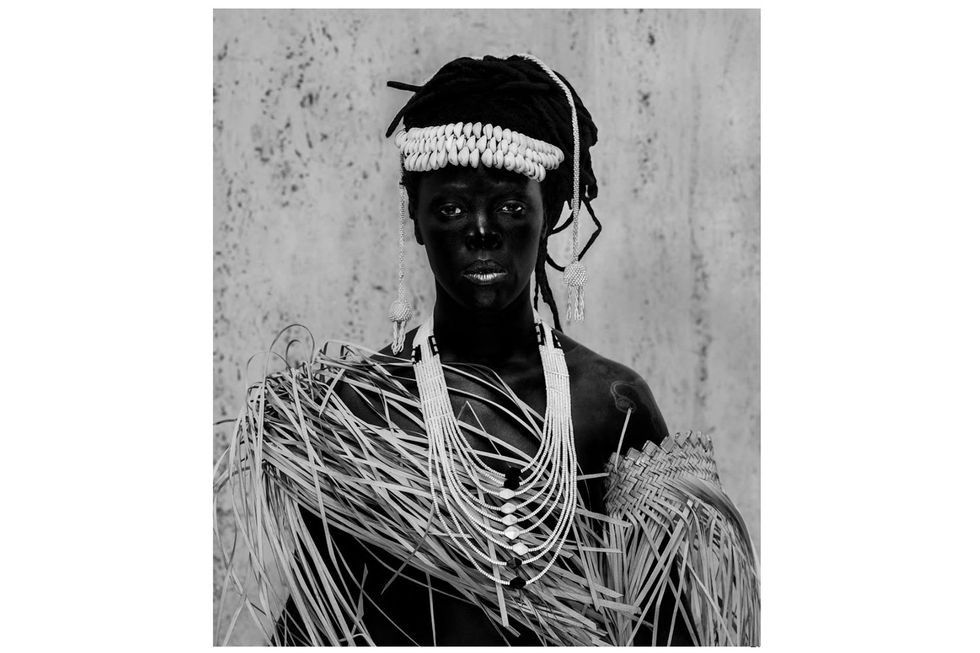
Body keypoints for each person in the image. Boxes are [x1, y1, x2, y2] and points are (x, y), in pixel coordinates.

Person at [214, 54, 758, 646]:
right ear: (416, 222)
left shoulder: (608, 403)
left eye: (510, 206)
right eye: (450, 208)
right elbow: (311, 628)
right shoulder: (361, 412)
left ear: (549, 216)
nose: (481, 229)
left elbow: (665, 632)